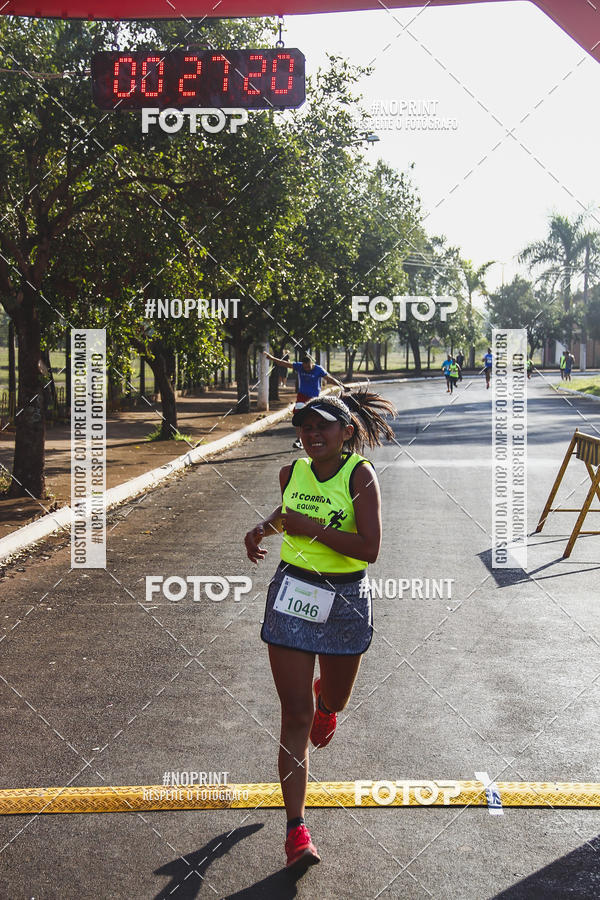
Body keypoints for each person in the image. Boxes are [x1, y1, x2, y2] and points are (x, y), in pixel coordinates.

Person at [244, 389, 396, 869]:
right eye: (304, 428)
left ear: (346, 432)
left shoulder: (360, 476)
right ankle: (296, 830)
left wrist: (310, 528)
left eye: (322, 427)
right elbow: (287, 514)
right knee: (295, 716)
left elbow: (368, 548)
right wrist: (262, 529)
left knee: (332, 698)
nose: (311, 435)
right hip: (293, 593)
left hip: (345, 599)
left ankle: (328, 704)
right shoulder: (291, 472)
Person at [263, 351, 345, 449]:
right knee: (298, 415)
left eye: (308, 367)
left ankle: (320, 437)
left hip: (314, 398)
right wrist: (271, 358)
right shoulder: (299, 366)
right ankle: (299, 440)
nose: (306, 369)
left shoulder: (318, 369)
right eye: (305, 367)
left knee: (316, 417)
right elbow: (283, 363)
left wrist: (342, 386)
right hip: (302, 396)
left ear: (312, 363)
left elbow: (329, 379)